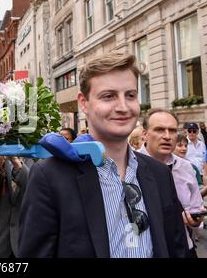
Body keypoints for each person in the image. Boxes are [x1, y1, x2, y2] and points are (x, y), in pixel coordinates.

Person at [18, 52, 188, 258]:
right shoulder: (50, 177)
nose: (123, 107)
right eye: (109, 96)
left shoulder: (159, 174)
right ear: (84, 103)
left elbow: (177, 248)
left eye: (131, 95)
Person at [139, 108, 204, 257]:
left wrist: (195, 219)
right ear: (144, 134)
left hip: (183, 248)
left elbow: (196, 206)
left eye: (172, 131)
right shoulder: (129, 164)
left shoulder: (186, 167)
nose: (167, 136)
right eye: (160, 130)